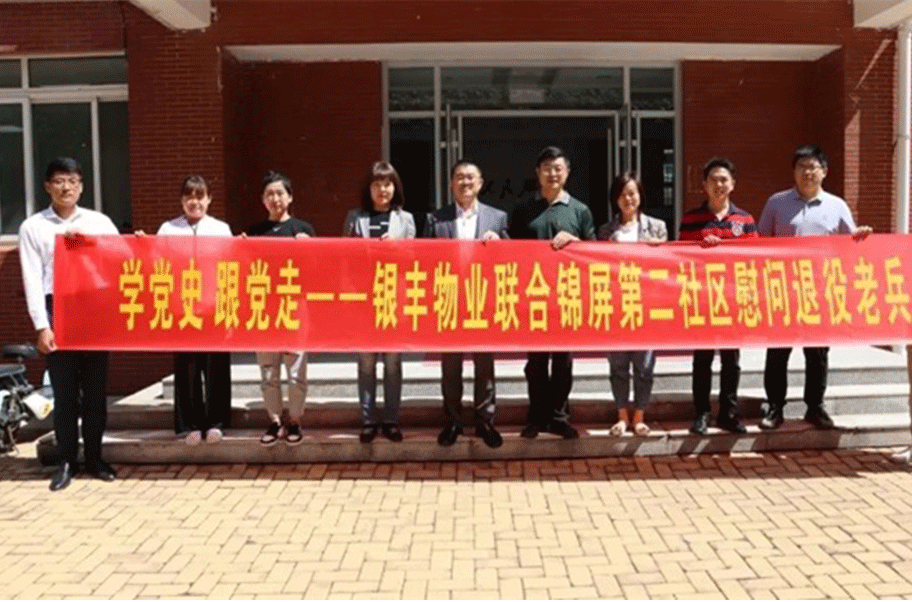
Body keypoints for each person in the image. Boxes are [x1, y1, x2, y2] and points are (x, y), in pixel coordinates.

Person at [18, 157, 119, 491]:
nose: (66, 187)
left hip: (93, 308)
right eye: (60, 181)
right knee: (64, 393)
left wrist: (86, 242)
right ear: (48, 186)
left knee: (95, 392)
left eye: (73, 181)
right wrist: (41, 325)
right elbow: (32, 279)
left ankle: (94, 458)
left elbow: (121, 257)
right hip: (56, 309)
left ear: (81, 186)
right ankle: (65, 461)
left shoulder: (98, 221)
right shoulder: (33, 227)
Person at [758, 145, 872, 430]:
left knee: (818, 354)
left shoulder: (837, 206)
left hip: (820, 292)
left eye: (813, 167)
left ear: (824, 172)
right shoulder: (776, 203)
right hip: (784, 290)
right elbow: (760, 244)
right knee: (778, 352)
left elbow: (850, 244)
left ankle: (815, 407)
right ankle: (775, 407)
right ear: (794, 172)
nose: (808, 172)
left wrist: (860, 235)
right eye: (802, 167)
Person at [509, 146, 596, 440]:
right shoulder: (523, 211)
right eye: (546, 168)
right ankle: (536, 417)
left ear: (567, 172)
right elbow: (510, 252)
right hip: (533, 296)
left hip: (565, 297)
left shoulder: (580, 211)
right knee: (535, 363)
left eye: (558, 168)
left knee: (562, 361)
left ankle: (559, 418)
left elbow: (594, 253)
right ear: (538, 173)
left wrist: (575, 240)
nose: (552, 173)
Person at [424, 160, 509, 448]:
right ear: (451, 183)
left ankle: (485, 421)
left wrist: (500, 243)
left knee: (485, 364)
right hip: (449, 297)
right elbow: (424, 260)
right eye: (459, 177)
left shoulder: (497, 218)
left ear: (481, 183)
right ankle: (452, 422)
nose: (465, 182)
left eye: (471, 177)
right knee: (450, 366)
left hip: (482, 298)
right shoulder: (436, 219)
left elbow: (512, 258)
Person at [679, 158, 759, 435]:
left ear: (733, 184)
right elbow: (680, 257)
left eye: (724, 179)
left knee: (731, 361)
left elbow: (754, 259)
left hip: (733, 300)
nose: (719, 184)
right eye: (713, 179)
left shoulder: (745, 220)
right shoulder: (691, 219)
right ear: (704, 185)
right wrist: (701, 249)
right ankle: (701, 413)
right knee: (702, 360)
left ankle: (728, 413)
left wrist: (726, 249)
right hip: (703, 299)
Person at [155, 176, 233, 446]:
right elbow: (155, 263)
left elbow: (231, 268)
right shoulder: (168, 229)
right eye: (189, 197)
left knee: (215, 367)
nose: (194, 202)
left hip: (213, 308)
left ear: (209, 199)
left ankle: (216, 422)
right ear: (181, 200)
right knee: (187, 367)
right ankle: (190, 423)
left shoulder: (221, 229)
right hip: (182, 308)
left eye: (200, 196)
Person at [343, 161, 416, 443]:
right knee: (366, 363)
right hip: (364, 298)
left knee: (393, 363)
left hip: (393, 298)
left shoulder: (405, 219)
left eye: (387, 184)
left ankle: (391, 420)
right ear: (369, 188)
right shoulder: (355, 217)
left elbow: (415, 260)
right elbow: (344, 257)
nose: (382, 190)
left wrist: (396, 248)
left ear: (395, 188)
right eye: (377, 184)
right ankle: (368, 420)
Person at [246, 171, 315, 447]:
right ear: (263, 200)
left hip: (294, 305)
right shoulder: (254, 232)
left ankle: (295, 420)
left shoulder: (303, 229)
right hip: (264, 306)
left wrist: (309, 249)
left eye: (279, 193)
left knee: (296, 368)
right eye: (269, 194)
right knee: (268, 369)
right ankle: (275, 420)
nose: (275, 199)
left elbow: (316, 269)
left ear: (290, 197)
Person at [597, 171, 668, 436]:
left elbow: (668, 267)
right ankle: (621, 416)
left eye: (632, 193)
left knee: (644, 365)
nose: (628, 199)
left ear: (640, 196)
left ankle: (639, 416)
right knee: (618, 365)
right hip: (616, 306)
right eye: (622, 194)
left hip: (646, 305)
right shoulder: (606, 231)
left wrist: (659, 250)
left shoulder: (657, 228)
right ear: (615, 199)